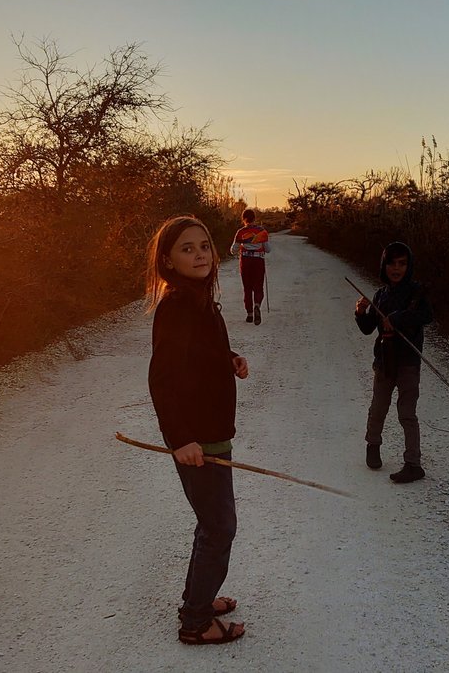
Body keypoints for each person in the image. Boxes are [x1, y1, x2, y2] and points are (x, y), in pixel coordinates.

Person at [146, 215, 249, 645]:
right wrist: (180, 440)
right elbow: (163, 380)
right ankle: (195, 622)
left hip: (210, 431)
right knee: (220, 525)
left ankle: (197, 597)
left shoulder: (198, 298)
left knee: (211, 522)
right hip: (197, 438)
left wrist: (229, 358)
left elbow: (198, 353)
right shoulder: (177, 304)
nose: (200, 254)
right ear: (167, 259)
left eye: (204, 245)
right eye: (186, 248)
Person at [354, 241, 433, 483]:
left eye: (402, 264)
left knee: (407, 413)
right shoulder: (380, 295)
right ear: (384, 266)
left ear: (408, 266)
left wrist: (398, 318)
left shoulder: (417, 292)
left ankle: (413, 463)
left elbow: (426, 316)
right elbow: (368, 329)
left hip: (408, 363)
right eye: (391, 264)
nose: (396, 269)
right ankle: (373, 445)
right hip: (384, 362)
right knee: (378, 408)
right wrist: (360, 313)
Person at [229, 209, 271, 325]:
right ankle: (257, 305)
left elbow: (233, 250)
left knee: (247, 287)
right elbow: (268, 249)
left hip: (246, 261)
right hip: (258, 261)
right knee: (258, 286)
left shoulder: (241, 232)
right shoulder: (262, 232)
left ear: (243, 219)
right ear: (254, 218)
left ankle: (249, 314)